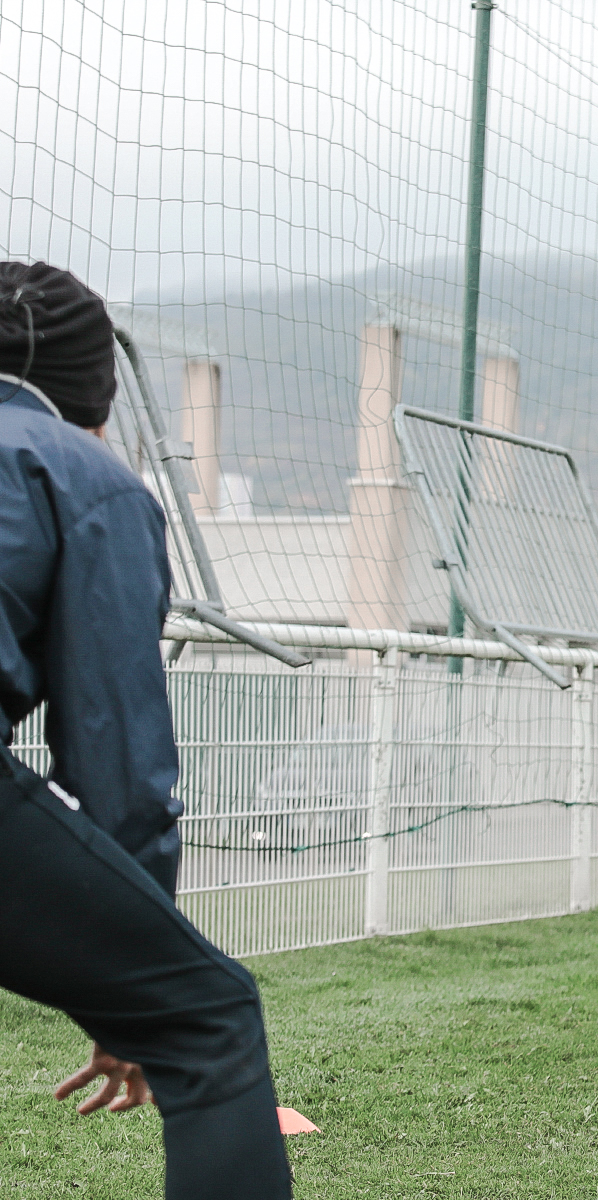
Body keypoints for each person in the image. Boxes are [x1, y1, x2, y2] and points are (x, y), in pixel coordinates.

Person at [0, 261, 293, 1196]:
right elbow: (119, 766)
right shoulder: (83, 473)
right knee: (206, 1013)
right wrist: (132, 977)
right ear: (93, 386)